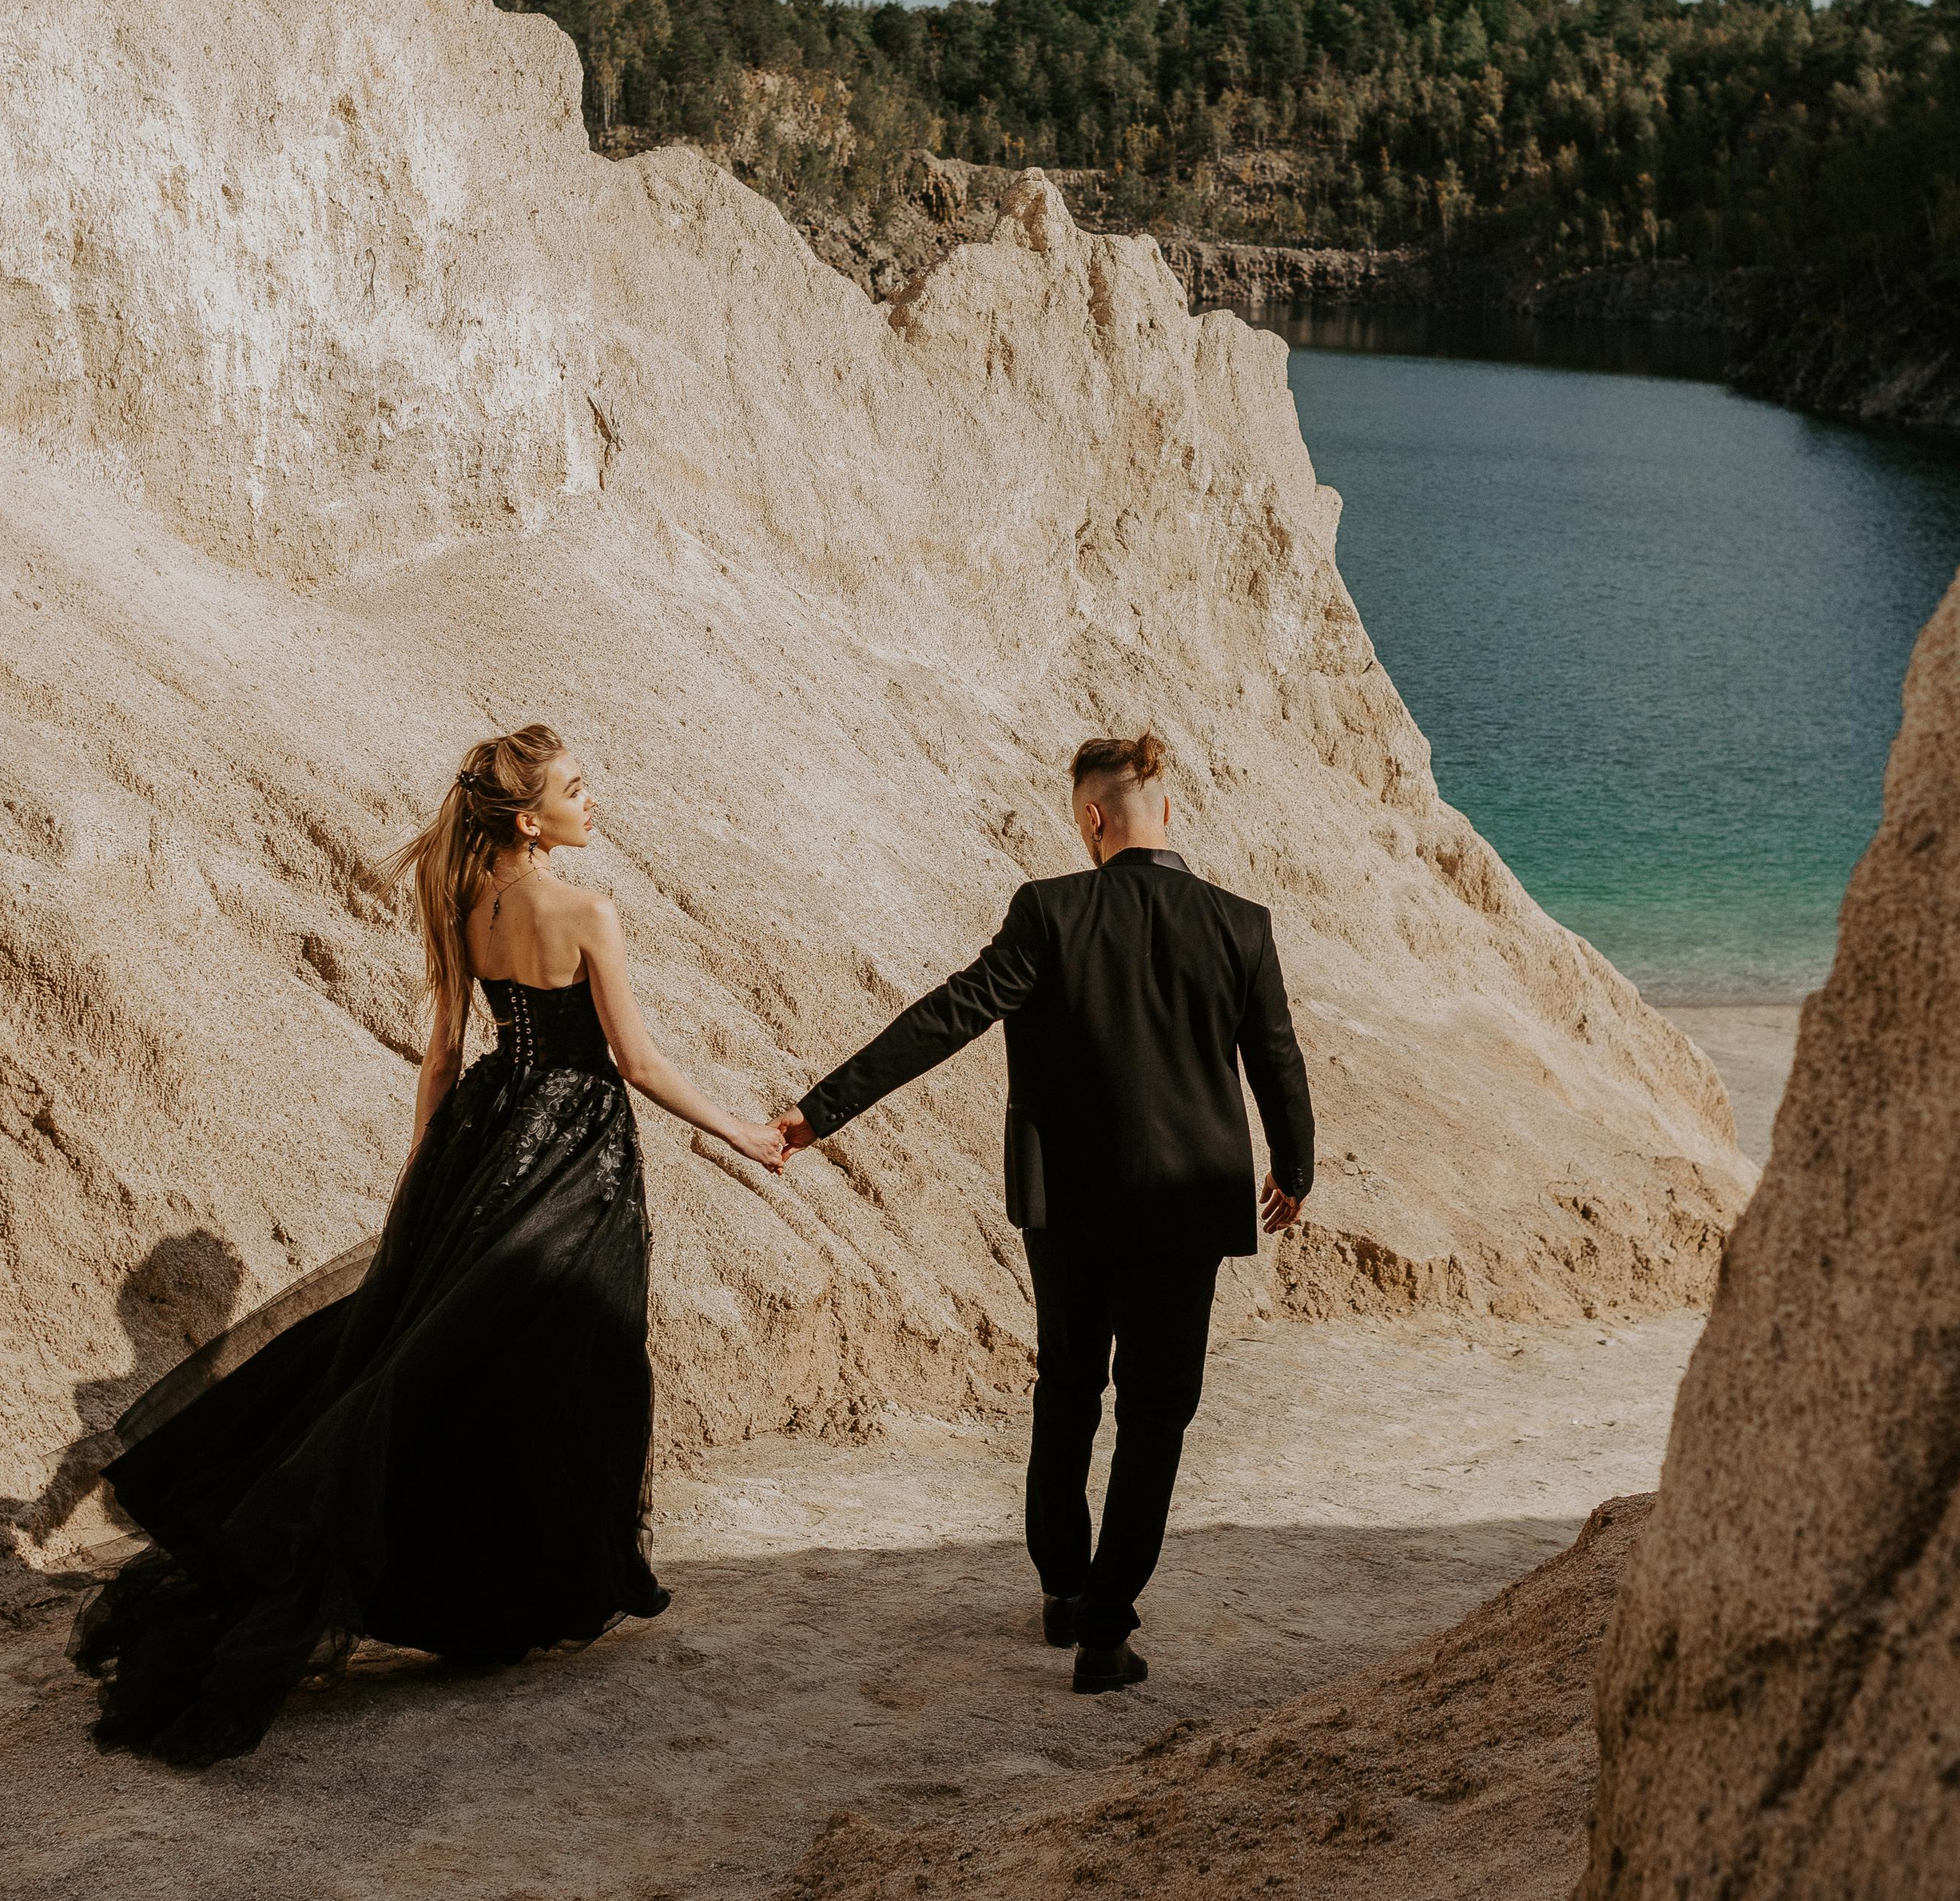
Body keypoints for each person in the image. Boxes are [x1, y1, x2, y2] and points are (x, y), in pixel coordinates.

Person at [72, 726, 787, 1768]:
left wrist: (423, 1182)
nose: (599, 801)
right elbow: (633, 1060)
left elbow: (445, 1053)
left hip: (483, 1141)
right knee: (567, 1371)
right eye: (580, 789)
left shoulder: (459, 904)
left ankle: (470, 1590)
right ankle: (504, 1596)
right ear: (531, 819)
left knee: (435, 1367)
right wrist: (742, 1131)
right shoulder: (588, 910)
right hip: (577, 1157)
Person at [785, 730, 1313, 1694]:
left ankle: (1064, 1590)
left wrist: (821, 1111)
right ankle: (1106, 1631)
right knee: (1157, 1415)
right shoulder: (1242, 924)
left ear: (1091, 821)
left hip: (1067, 1209)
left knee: (1069, 1390)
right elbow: (1276, 1057)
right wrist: (1295, 1166)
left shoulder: (1049, 912)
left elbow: (950, 1014)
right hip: (1187, 1207)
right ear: (1169, 814)